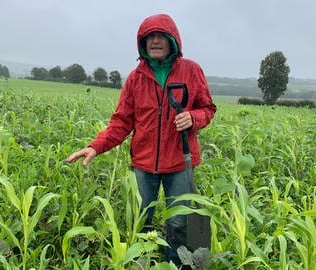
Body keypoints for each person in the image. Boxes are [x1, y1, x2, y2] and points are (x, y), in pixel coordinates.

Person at [65, 13, 216, 265]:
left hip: (180, 162)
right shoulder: (136, 78)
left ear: (172, 41)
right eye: (150, 37)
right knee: (140, 218)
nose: (155, 41)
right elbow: (121, 121)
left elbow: (208, 108)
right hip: (144, 165)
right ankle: (141, 262)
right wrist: (95, 146)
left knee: (179, 222)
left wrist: (193, 117)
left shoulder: (191, 70)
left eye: (161, 36)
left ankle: (173, 264)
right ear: (143, 43)